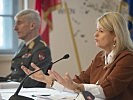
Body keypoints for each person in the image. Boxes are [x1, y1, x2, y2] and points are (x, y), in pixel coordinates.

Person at [21, 12, 133, 100]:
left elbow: (107, 90)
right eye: (96, 30)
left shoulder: (127, 58)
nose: (95, 34)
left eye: (101, 31)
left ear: (115, 35)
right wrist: (48, 80)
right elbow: (80, 81)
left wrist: (76, 86)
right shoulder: (100, 57)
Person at [4, 9, 52, 88]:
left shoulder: (41, 49)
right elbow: (15, 74)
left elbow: (33, 82)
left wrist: (8, 85)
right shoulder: (23, 45)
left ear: (32, 26)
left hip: (30, 94)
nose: (15, 28)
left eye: (19, 23)